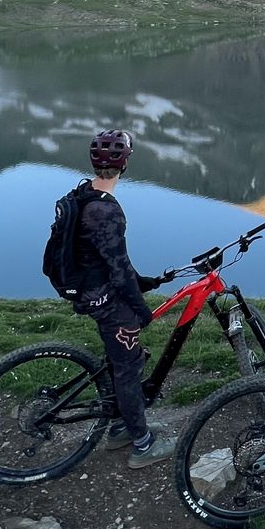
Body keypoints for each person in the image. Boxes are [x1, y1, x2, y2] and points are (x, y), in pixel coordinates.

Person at [72, 128, 175, 468]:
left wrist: (142, 281)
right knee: (129, 369)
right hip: (107, 302)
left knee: (119, 362)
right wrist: (142, 310)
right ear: (125, 165)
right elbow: (118, 272)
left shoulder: (83, 194)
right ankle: (143, 445)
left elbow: (112, 260)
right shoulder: (108, 212)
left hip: (91, 289)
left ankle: (121, 427)